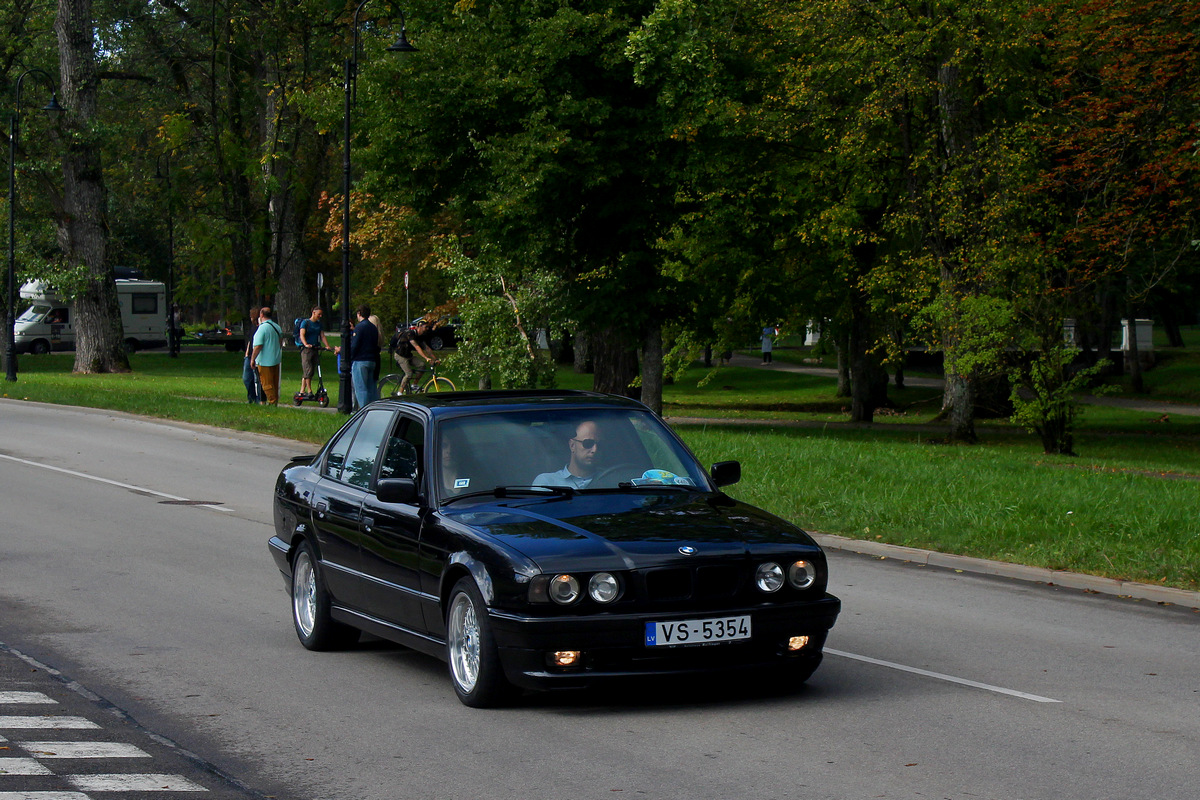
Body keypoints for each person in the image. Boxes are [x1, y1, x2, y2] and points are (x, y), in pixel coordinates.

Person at [532, 420, 603, 489]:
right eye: (588, 443)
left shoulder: (610, 480)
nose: (594, 450)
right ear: (572, 445)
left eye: (599, 445)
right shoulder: (546, 482)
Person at [389, 318, 437, 393]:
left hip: (408, 355)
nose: (427, 329)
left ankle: (414, 385)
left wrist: (435, 359)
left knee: (422, 365)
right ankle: (400, 393)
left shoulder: (420, 336)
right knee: (409, 374)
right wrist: (426, 357)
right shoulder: (410, 334)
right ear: (420, 326)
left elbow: (427, 348)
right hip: (400, 356)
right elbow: (416, 346)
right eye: (425, 327)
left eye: (427, 327)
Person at [299, 306, 337, 395]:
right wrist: (306, 344)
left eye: (321, 314)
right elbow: (302, 335)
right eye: (319, 314)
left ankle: (302, 390)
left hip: (315, 348)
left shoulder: (319, 324)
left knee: (311, 370)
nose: (320, 316)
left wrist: (327, 346)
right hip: (306, 350)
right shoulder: (305, 323)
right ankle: (309, 390)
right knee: (308, 369)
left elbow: (322, 336)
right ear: (313, 313)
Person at [251, 306, 284, 406]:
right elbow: (280, 341)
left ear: (261, 315)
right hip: (276, 359)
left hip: (264, 361)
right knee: (274, 383)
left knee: (267, 384)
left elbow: (258, 346)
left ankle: (272, 402)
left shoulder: (262, 328)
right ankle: (275, 401)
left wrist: (252, 359)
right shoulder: (277, 327)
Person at [349, 304, 380, 408]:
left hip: (360, 360)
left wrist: (350, 358)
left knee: (361, 389)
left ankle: (364, 410)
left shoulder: (360, 327)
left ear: (359, 314)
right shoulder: (373, 328)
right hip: (372, 360)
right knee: (371, 388)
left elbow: (355, 345)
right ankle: (374, 409)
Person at [242, 306, 263, 404]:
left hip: (257, 356)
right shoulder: (253, 327)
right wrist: (247, 353)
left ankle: (258, 398)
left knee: (257, 379)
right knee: (247, 378)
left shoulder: (261, 328)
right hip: (249, 355)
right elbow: (251, 340)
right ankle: (251, 397)